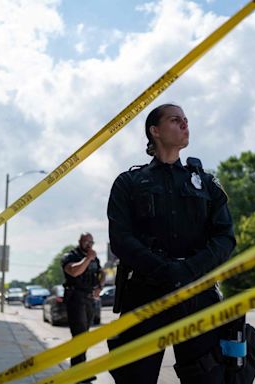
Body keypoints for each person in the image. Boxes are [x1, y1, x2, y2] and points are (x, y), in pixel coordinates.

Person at [107, 103, 236, 383]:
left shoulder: (206, 183)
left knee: (208, 378)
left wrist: (188, 270)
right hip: (144, 295)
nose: (185, 124)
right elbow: (121, 240)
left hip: (197, 296)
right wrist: (165, 271)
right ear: (155, 131)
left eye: (186, 120)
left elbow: (226, 237)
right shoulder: (128, 183)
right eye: (176, 120)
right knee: (134, 378)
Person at [61, 232, 104, 382]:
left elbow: (101, 273)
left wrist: (100, 286)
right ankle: (77, 373)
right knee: (79, 336)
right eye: (86, 242)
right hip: (76, 299)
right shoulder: (70, 256)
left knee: (84, 337)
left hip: (89, 300)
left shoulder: (94, 258)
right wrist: (88, 258)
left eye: (91, 242)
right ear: (80, 241)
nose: (89, 244)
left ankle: (80, 371)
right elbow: (74, 271)